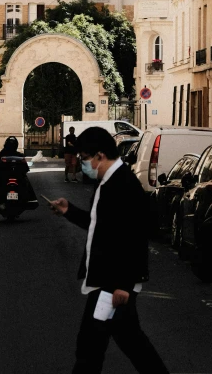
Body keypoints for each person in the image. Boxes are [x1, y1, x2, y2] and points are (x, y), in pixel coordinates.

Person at [49, 127, 169, 374]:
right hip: (107, 281)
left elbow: (135, 237)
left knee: (96, 348)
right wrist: (68, 210)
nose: (83, 164)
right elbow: (100, 226)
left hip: (113, 283)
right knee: (109, 345)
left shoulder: (124, 184)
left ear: (100, 155)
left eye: (84, 158)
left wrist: (124, 284)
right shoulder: (108, 182)